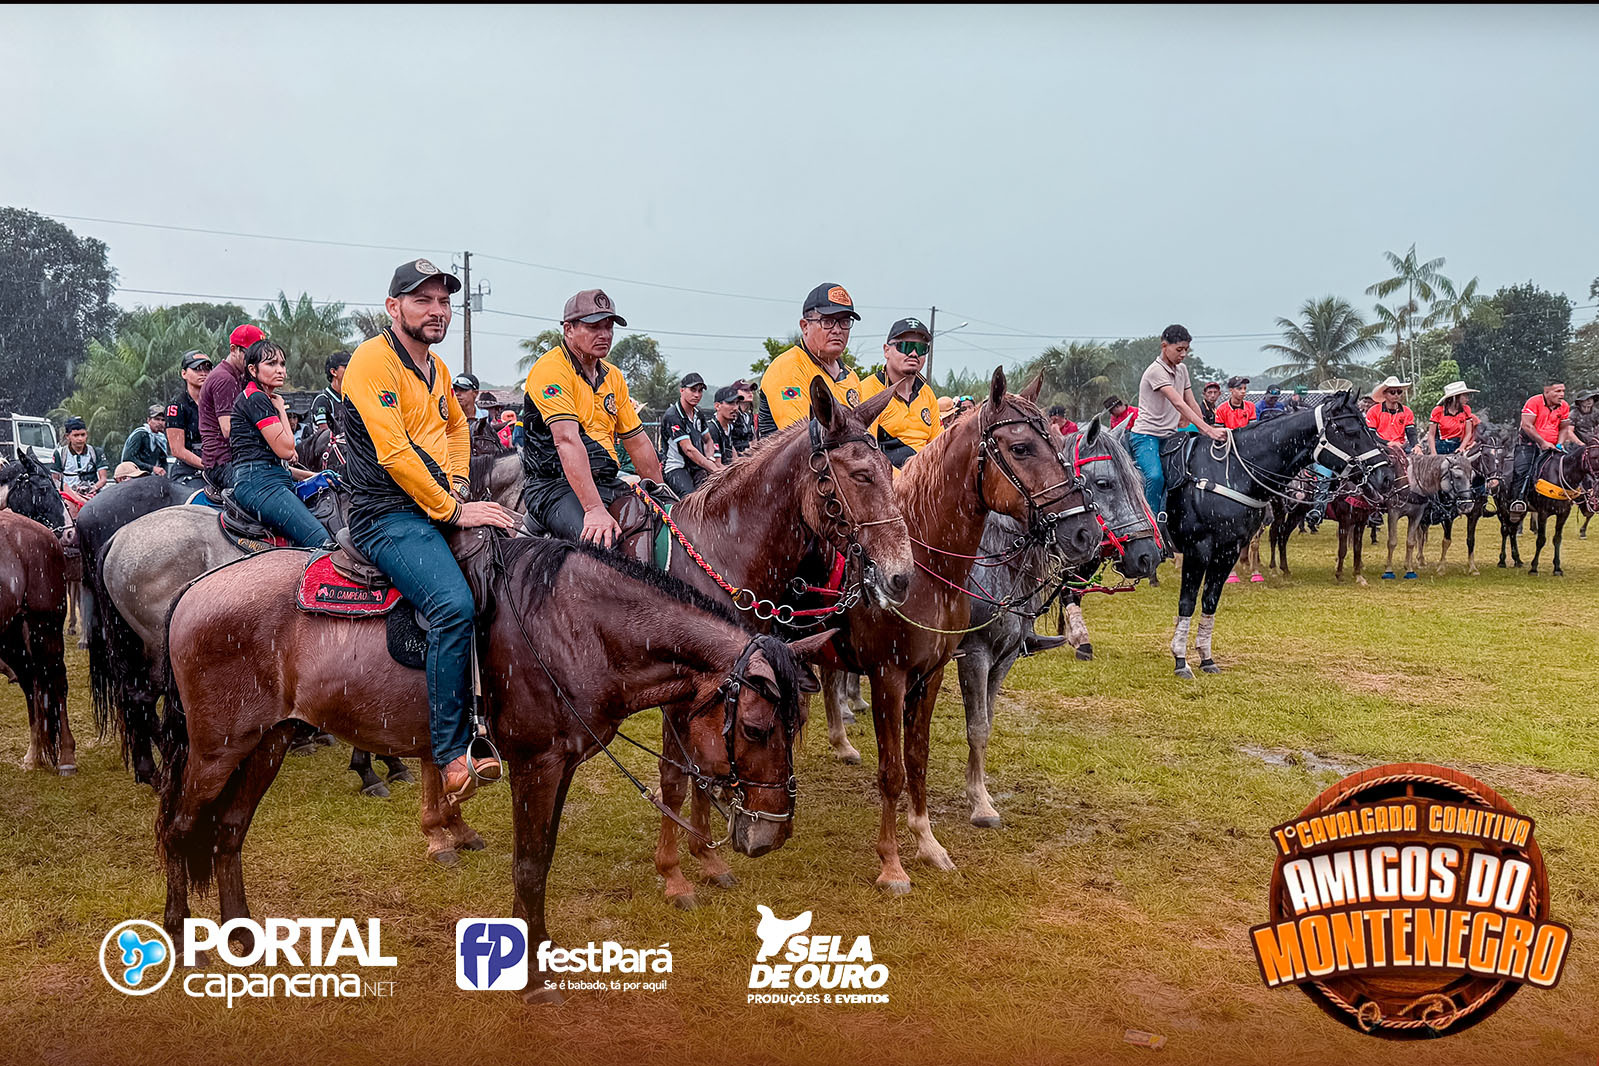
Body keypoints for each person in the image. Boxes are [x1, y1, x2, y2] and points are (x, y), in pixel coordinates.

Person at [343, 258, 517, 803]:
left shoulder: (437, 370)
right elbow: (395, 453)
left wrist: (459, 484)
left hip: (431, 506)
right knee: (452, 606)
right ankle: (450, 752)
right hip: (385, 514)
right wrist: (453, 511)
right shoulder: (372, 361)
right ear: (393, 307)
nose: (437, 310)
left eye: (443, 301)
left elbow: (458, 428)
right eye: (423, 300)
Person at [520, 289, 665, 546]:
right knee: (603, 547)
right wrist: (593, 509)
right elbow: (566, 440)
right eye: (594, 327)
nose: (605, 335)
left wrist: (660, 494)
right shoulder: (551, 369)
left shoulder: (613, 376)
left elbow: (638, 442)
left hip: (606, 481)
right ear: (568, 329)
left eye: (608, 327)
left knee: (659, 528)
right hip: (553, 485)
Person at [1126, 325, 1227, 543]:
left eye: (1186, 350)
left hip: (1170, 436)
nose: (1183, 354)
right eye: (1179, 349)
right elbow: (1179, 403)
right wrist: (1208, 430)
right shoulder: (1156, 371)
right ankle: (1148, 526)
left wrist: (1206, 430)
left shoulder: (1182, 370)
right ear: (1164, 346)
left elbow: (1191, 402)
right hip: (1146, 436)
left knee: (1187, 474)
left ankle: (1177, 521)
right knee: (1155, 477)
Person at [228, 340, 328, 548]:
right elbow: (286, 450)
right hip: (260, 484)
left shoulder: (258, 397)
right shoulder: (257, 398)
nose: (280, 370)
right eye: (271, 364)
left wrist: (316, 476)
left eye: (282, 364)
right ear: (253, 369)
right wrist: (282, 408)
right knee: (321, 540)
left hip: (263, 479)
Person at [756, 282, 863, 437]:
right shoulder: (788, 367)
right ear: (805, 326)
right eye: (827, 321)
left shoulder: (851, 377)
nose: (837, 330)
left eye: (844, 322)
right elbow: (800, 437)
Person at [859, 317, 942, 468]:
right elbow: (866, 454)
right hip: (886, 477)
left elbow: (939, 447)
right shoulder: (868, 390)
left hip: (927, 475)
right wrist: (909, 476)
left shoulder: (927, 393)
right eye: (905, 346)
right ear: (886, 350)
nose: (914, 354)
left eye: (921, 348)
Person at [198, 323, 263, 491]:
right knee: (264, 493)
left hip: (234, 459)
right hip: (224, 462)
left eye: (258, 357)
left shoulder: (238, 377)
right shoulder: (225, 379)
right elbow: (228, 429)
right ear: (233, 349)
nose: (254, 362)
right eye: (250, 355)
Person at [1509, 381, 1583, 515]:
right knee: (1523, 470)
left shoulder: (1564, 406)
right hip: (1529, 445)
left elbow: (1564, 428)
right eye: (1558, 391)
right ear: (1547, 392)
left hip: (1553, 446)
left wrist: (1560, 444)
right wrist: (1542, 442)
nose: (1562, 394)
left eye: (1563, 391)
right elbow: (1527, 425)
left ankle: (1583, 497)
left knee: (1574, 466)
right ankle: (1517, 501)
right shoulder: (1533, 402)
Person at [659, 372, 720, 496]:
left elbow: (708, 440)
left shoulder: (698, 414)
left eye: (700, 391)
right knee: (691, 500)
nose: (697, 395)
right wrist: (713, 468)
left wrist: (710, 458)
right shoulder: (673, 415)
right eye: (693, 390)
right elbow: (688, 449)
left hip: (697, 467)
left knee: (716, 494)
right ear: (681, 390)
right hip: (676, 468)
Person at [165, 351, 212, 486]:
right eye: (197, 369)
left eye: (207, 369)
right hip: (188, 471)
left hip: (216, 464)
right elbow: (177, 450)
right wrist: (208, 466)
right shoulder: (176, 406)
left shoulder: (217, 403)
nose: (203, 373)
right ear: (184, 373)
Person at [50, 417, 108, 495]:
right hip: (68, 495)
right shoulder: (60, 454)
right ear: (67, 436)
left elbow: (103, 479)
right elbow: (55, 479)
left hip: (92, 493)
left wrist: (93, 488)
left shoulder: (96, 452)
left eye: (83, 435)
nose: (80, 439)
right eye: (76, 435)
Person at [1425, 380, 1480, 455]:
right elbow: (1431, 434)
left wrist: (1461, 448)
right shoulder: (1438, 411)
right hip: (1441, 446)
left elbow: (1468, 433)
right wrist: (1433, 452)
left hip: (1458, 444)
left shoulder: (1466, 409)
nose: (1467, 399)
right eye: (1464, 396)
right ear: (1455, 397)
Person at [307, 350, 352, 439]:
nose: (351, 370)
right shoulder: (323, 400)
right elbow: (324, 433)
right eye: (346, 367)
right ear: (333, 372)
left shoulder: (350, 399)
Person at [1365, 376, 1417, 452]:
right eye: (1392, 392)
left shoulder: (1407, 411)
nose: (1396, 395)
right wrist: (1388, 443)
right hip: (1381, 446)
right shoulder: (1374, 411)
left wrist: (1416, 445)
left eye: (1399, 392)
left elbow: (1411, 432)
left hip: (1402, 446)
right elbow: (1370, 434)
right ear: (1384, 394)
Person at [121, 405, 170, 476]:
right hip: (133, 476)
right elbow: (128, 459)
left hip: (148, 477)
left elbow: (163, 461)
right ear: (148, 420)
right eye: (156, 419)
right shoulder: (140, 434)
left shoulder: (161, 439)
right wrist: (152, 468)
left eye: (163, 420)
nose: (160, 422)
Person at [705, 385, 742, 465]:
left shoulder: (730, 426)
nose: (735, 408)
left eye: (737, 403)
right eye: (730, 403)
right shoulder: (712, 429)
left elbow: (733, 455)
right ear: (717, 406)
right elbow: (716, 464)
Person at [730, 380, 756, 455]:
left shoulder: (748, 416)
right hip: (733, 457)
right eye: (745, 390)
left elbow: (752, 440)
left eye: (751, 390)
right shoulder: (731, 415)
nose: (750, 393)